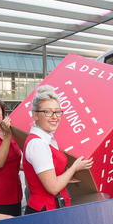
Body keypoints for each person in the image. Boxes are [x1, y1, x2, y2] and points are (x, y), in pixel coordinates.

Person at [22, 85, 93, 214]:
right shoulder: (38, 144)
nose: (54, 116)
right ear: (35, 115)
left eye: (57, 111)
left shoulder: (47, 139)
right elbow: (53, 188)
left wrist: (65, 177)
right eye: (47, 112)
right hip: (44, 212)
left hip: (53, 208)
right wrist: (74, 168)